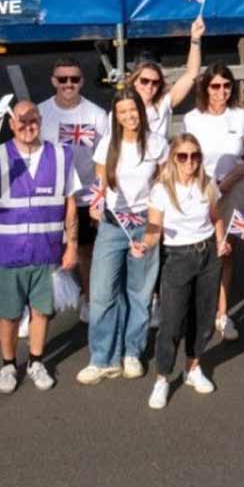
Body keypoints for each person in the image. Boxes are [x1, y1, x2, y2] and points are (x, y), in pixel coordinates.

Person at [0, 99, 80, 394]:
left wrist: (71, 245)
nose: (27, 127)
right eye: (21, 122)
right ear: (11, 124)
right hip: (10, 253)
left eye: (33, 122)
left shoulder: (60, 155)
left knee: (41, 311)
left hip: (47, 251)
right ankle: (8, 365)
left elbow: (70, 203)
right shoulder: (1, 155)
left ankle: (36, 361)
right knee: (8, 314)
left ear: (40, 122)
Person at [78, 91, 162, 385]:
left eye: (133, 110)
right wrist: (95, 206)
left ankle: (131, 353)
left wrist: (156, 226)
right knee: (102, 294)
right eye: (123, 111)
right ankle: (102, 358)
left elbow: (162, 186)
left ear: (141, 110)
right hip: (113, 226)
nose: (129, 116)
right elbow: (99, 184)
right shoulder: (107, 145)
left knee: (139, 294)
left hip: (144, 223)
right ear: (116, 115)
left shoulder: (156, 143)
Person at [145, 134, 232, 409]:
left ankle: (192, 368)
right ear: (173, 158)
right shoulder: (161, 189)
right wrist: (145, 244)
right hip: (177, 257)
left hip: (207, 254)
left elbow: (217, 217)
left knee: (204, 318)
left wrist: (221, 242)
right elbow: (154, 227)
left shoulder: (207, 185)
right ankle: (162, 378)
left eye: (194, 155)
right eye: (183, 156)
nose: (189, 161)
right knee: (171, 322)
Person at [181, 63, 244, 344]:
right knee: (198, 252)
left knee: (225, 252)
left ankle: (222, 314)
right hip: (201, 192)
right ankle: (197, 309)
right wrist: (211, 187)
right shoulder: (193, 118)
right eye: (215, 86)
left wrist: (239, 174)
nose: (221, 91)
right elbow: (187, 156)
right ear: (205, 88)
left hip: (233, 192)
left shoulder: (241, 117)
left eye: (226, 85)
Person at [38, 57, 110, 315]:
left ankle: (89, 301)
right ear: (53, 81)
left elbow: (105, 159)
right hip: (51, 198)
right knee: (44, 255)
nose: (68, 84)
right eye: (62, 79)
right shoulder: (41, 113)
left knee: (85, 253)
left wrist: (99, 199)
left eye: (74, 79)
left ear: (81, 81)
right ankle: (37, 308)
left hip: (85, 197)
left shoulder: (96, 114)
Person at [124, 18, 206, 152]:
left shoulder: (163, 103)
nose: (149, 86)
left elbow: (192, 74)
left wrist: (195, 39)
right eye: (144, 81)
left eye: (155, 82)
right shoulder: (122, 107)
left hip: (160, 167)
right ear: (134, 81)